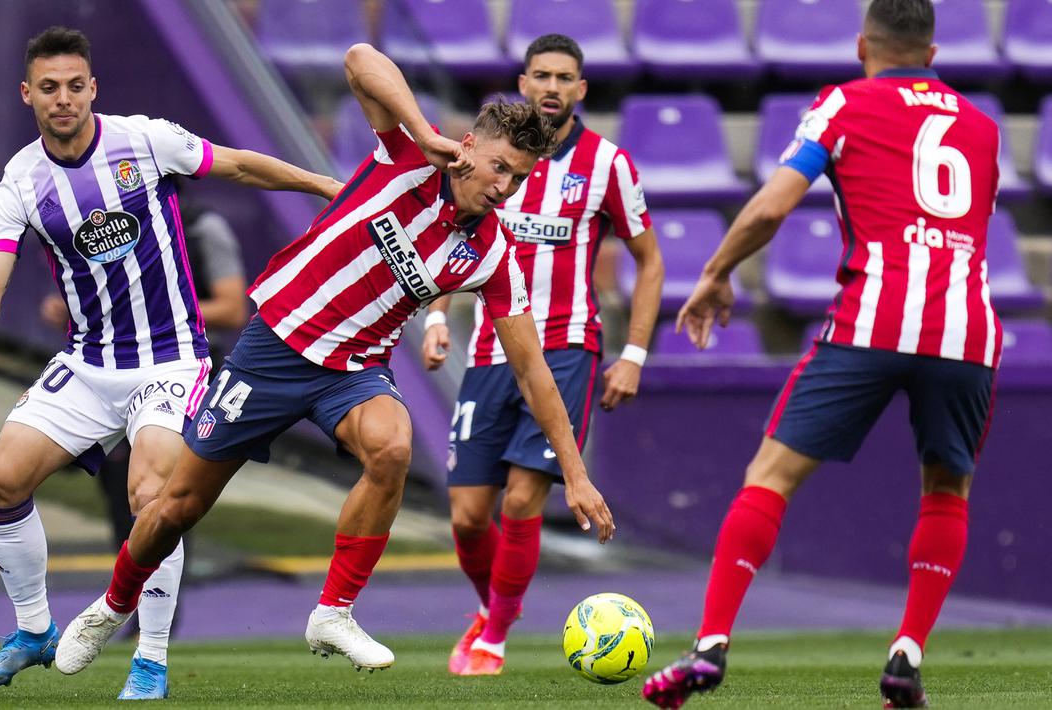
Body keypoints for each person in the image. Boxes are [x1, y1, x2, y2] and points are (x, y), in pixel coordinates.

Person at [52, 42, 616, 680]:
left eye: (517, 178)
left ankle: (334, 611)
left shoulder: (490, 255)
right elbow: (359, 58)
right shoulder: (406, 157)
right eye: (498, 168)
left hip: (352, 370)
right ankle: (111, 605)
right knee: (179, 504)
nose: (504, 187)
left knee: (392, 446)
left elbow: (532, 369)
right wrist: (423, 132)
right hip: (274, 347)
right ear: (469, 146)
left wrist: (575, 475)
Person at [0, 26, 340, 700]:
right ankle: (32, 632)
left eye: (75, 86)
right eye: (49, 88)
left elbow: (234, 163)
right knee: (0, 482)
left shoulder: (144, 140)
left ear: (93, 88)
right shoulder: (22, 181)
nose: (64, 99)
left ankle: (150, 658)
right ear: (28, 95)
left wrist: (321, 183)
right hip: (88, 363)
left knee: (152, 496)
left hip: (170, 359)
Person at [640, 1, 1002, 707]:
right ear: (930, 54)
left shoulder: (842, 102)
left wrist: (714, 274)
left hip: (873, 318)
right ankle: (905, 653)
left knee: (770, 476)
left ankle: (710, 644)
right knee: (945, 489)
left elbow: (772, 206)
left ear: (862, 44)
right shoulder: (984, 127)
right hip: (965, 329)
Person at [420, 34, 663, 677]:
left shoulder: (609, 163)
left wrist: (634, 353)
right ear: (523, 84)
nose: (553, 86)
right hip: (489, 350)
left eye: (566, 77)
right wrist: (438, 315)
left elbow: (650, 259)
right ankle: (496, 610)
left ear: (582, 90)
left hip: (565, 349)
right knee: (470, 517)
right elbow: (454, 236)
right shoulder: (489, 161)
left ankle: (494, 640)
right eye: (542, 75)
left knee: (523, 499)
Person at [41, 179, 250, 549]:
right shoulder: (115, 229)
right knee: (122, 502)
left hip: (181, 372)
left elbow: (233, 308)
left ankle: (161, 608)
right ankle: (125, 602)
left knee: (160, 502)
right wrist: (74, 309)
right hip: (113, 372)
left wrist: (144, 316)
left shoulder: (203, 227)